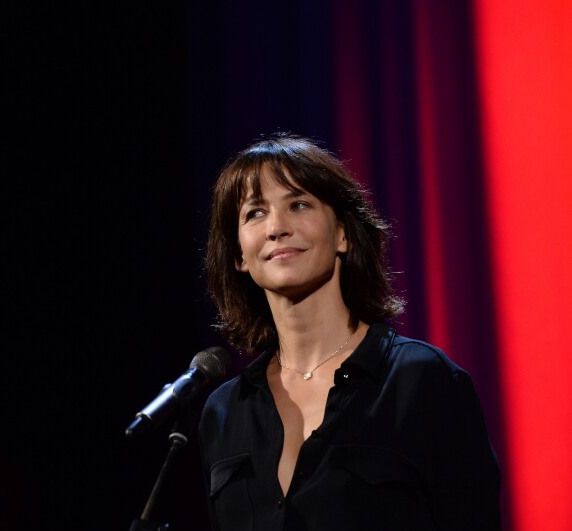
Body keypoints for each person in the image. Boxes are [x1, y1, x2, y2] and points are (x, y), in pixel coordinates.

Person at [198, 131, 502, 530]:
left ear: (342, 233)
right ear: (239, 254)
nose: (276, 228)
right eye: (255, 213)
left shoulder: (422, 381)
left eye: (299, 204)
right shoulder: (222, 414)